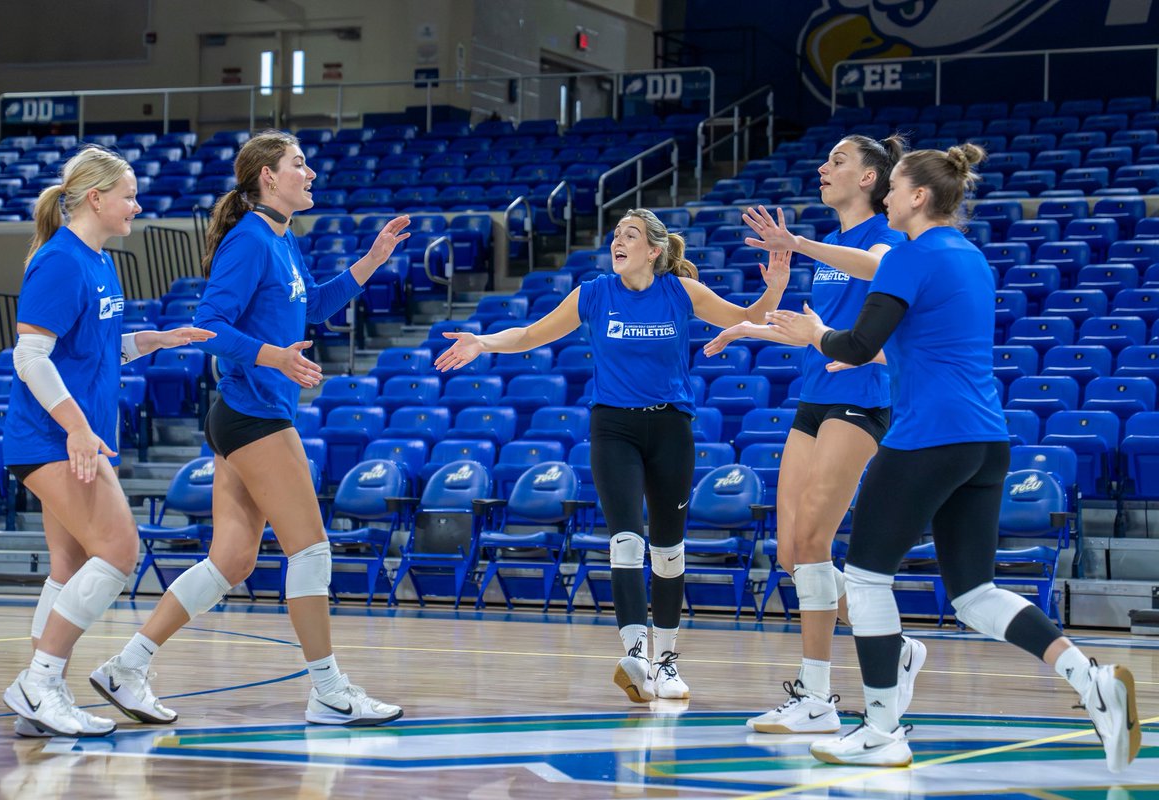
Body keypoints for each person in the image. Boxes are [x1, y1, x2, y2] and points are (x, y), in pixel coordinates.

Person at [765, 143, 1140, 772]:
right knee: (974, 594)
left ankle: (883, 728)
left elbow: (859, 345)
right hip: (986, 440)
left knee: (864, 575)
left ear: (917, 197)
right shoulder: (970, 257)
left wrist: (814, 334)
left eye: (894, 187)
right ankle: (1090, 678)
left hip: (928, 435)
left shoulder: (907, 259)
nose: (884, 194)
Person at [89, 131, 411, 727]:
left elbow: (311, 306)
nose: (309, 172)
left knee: (231, 562)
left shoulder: (282, 241)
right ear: (267, 176)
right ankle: (327, 691)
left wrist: (370, 261)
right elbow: (208, 323)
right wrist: (275, 357)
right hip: (253, 413)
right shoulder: (249, 241)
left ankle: (125, 666)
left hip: (244, 414)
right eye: (299, 163)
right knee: (311, 549)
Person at [436, 207, 790, 703]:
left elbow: (746, 319)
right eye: (616, 235)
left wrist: (773, 290)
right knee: (625, 540)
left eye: (631, 236)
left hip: (670, 427)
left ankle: (667, 662)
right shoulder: (595, 293)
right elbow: (531, 334)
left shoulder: (680, 292)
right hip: (612, 426)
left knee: (668, 550)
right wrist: (484, 342)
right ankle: (636, 654)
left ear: (654, 250)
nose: (618, 243)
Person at [704, 135, 926, 735]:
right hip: (814, 398)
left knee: (816, 536)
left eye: (837, 162)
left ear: (870, 178)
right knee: (795, 548)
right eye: (825, 159)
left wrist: (795, 242)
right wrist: (747, 331)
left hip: (862, 403)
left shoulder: (886, 237)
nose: (823, 169)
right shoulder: (831, 252)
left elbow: (881, 270)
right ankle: (823, 696)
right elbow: (813, 330)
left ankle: (842, 681)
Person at [0, 145, 214, 737]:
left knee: (68, 567)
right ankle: (39, 685)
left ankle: (39, 700)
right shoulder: (60, 261)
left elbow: (98, 347)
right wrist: (76, 428)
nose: (137, 206)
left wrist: (157, 340)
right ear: (96, 198)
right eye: (129, 196)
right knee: (119, 552)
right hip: (51, 437)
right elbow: (30, 357)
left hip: (69, 437)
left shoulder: (98, 261)